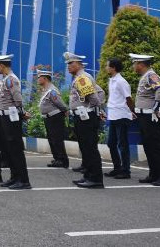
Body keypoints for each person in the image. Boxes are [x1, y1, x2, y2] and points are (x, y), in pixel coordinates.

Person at [130, 53, 160, 186]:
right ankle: (154, 174)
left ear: (141, 64)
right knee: (148, 147)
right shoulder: (145, 76)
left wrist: (155, 107)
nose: (133, 66)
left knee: (155, 147)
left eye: (134, 63)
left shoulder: (151, 75)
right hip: (144, 116)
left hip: (151, 117)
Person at [0, 54, 31, 190]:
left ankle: (23, 180)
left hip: (11, 117)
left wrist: (21, 113)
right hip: (6, 117)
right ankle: (15, 177)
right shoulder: (6, 79)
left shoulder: (11, 79)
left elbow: (18, 99)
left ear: (2, 65)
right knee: (10, 149)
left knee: (16, 149)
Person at [65, 52, 104, 189]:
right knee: (86, 148)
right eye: (68, 64)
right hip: (82, 116)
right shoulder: (80, 78)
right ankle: (88, 176)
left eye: (71, 63)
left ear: (79, 64)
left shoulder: (83, 78)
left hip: (86, 117)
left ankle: (95, 179)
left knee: (90, 148)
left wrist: (95, 109)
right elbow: (99, 92)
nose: (68, 66)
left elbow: (94, 97)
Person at [105, 58, 133, 179]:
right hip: (113, 115)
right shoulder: (111, 80)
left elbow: (128, 98)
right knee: (111, 143)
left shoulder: (121, 81)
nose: (106, 68)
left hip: (122, 115)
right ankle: (117, 168)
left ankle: (126, 171)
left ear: (113, 68)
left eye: (107, 66)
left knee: (122, 144)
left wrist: (132, 111)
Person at [36, 70, 69, 168]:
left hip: (55, 117)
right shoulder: (45, 90)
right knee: (52, 139)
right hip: (49, 118)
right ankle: (57, 159)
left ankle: (62, 160)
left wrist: (65, 110)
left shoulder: (52, 90)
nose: (38, 79)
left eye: (39, 77)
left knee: (57, 139)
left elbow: (60, 103)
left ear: (45, 78)